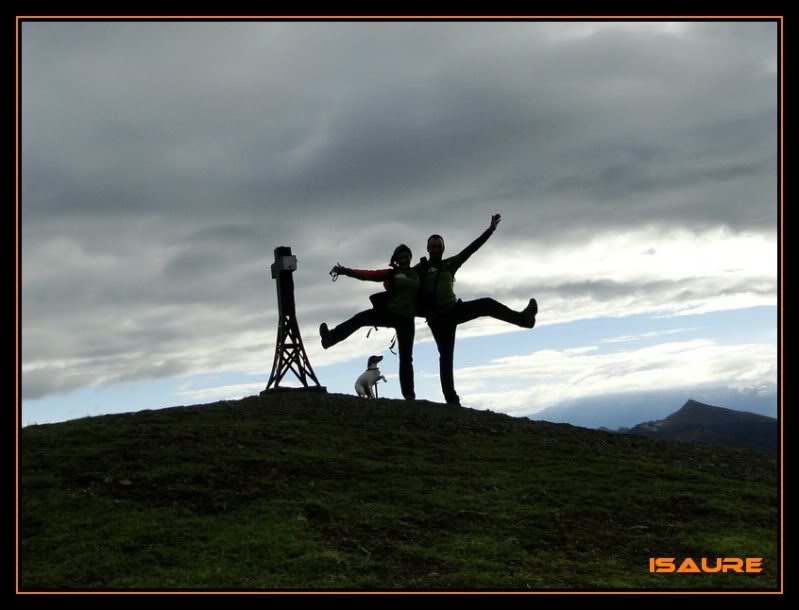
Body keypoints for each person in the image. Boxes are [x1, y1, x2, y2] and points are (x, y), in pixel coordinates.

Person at [416, 214, 537, 407]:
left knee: (487, 304)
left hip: (455, 310)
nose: (436, 249)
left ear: (443, 248)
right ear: (428, 248)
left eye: (439, 246)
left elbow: (471, 249)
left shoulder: (450, 263)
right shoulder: (419, 270)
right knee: (446, 357)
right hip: (438, 319)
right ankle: (452, 401)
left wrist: (489, 231)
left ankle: (524, 320)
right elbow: (401, 279)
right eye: (433, 246)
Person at [319, 244, 419, 400]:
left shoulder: (417, 273)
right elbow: (368, 274)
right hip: (389, 313)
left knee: (406, 357)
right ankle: (330, 338)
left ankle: (409, 396)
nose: (404, 259)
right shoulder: (392, 273)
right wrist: (345, 271)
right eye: (400, 257)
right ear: (396, 260)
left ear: (410, 258)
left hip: (406, 319)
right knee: (360, 318)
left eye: (406, 256)